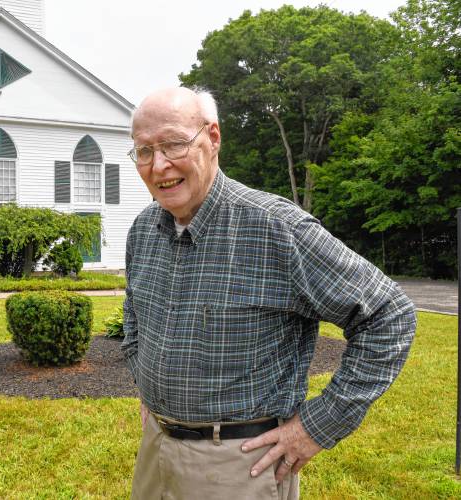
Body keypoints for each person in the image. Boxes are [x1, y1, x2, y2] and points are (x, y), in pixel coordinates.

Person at [120, 87, 416, 499]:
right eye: (144, 151)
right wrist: (148, 387)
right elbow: (135, 313)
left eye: (172, 144)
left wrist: (318, 425)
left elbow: (389, 314)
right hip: (156, 449)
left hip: (242, 463)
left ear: (213, 138)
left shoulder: (277, 229)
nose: (159, 165)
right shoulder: (143, 230)